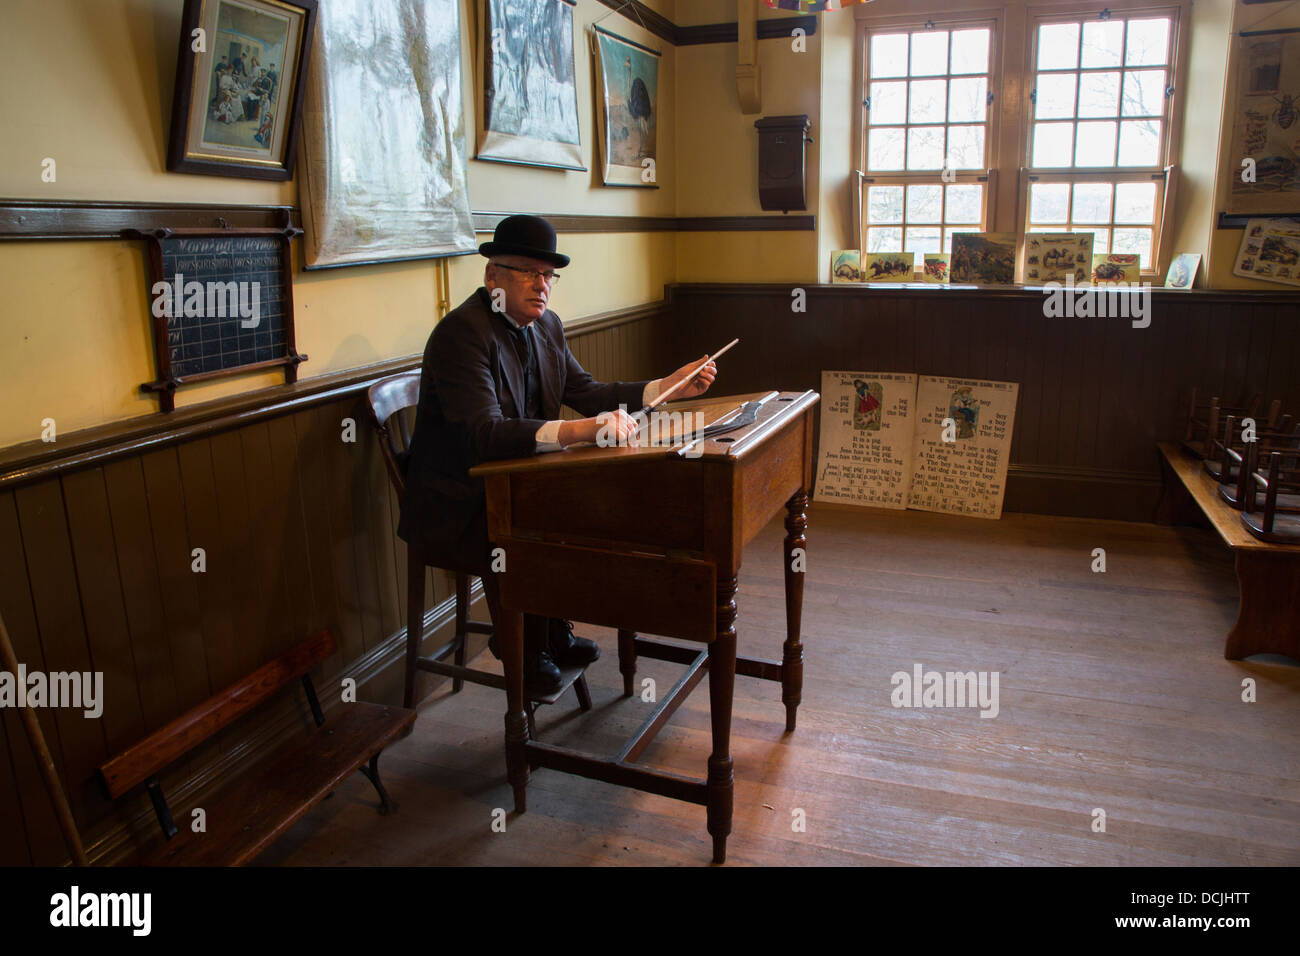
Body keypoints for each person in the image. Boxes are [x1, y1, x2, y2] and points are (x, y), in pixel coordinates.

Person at [399, 215, 716, 695]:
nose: (541, 285)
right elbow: (483, 434)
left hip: (514, 482)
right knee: (542, 512)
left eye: (548, 275)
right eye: (527, 271)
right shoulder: (461, 334)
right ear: (493, 277)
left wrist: (668, 385)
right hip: (457, 499)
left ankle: (549, 633)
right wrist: (577, 432)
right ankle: (523, 647)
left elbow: (589, 392)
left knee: (579, 504)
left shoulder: (546, 326)